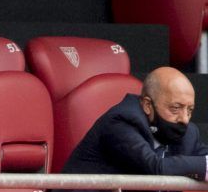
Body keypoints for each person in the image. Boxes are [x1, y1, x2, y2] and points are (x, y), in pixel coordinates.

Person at [60, 67, 208, 183]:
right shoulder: (121, 122)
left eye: (190, 110)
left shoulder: (188, 134)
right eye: (175, 108)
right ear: (148, 105)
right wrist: (204, 166)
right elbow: (154, 168)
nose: (184, 119)